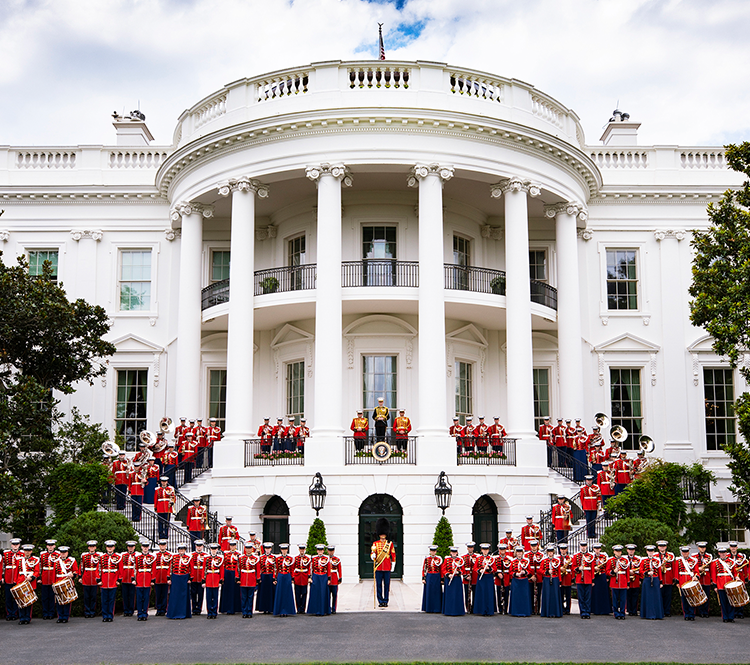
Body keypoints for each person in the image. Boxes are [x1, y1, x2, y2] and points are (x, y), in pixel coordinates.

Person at [371, 518, 396, 607]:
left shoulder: (389, 544)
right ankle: (380, 600)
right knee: (378, 585)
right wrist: (372, 556)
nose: (382, 535)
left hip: (387, 567)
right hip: (378, 567)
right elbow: (372, 553)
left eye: (383, 533)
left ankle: (386, 600)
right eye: (381, 533)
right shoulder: (375, 543)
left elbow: (393, 554)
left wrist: (393, 564)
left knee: (386, 585)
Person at [167, 544, 192, 619]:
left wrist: (190, 578)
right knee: (174, 596)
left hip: (184, 578)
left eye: (183, 549)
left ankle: (183, 613)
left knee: (183, 596)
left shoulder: (188, 558)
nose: (181, 551)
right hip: (175, 578)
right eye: (180, 549)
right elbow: (170, 568)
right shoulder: (174, 557)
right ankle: (173, 613)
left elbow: (191, 569)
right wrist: (169, 578)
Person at [53, 546, 78, 623]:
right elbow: (54, 574)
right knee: (59, 601)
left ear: (67, 553)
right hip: (59, 582)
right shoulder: (56, 562)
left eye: (64, 553)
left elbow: (76, 571)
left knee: (67, 600)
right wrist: (53, 584)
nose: (63, 554)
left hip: (68, 582)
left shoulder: (72, 560)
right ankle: (60, 616)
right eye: (61, 553)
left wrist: (73, 575)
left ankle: (66, 617)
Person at [16, 545, 40, 625]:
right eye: (25, 550)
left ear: (31, 551)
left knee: (29, 601)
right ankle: (22, 618)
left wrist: (32, 577)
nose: (27, 552)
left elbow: (37, 571)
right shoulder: (19, 560)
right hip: (21, 582)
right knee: (21, 601)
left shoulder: (35, 560)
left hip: (30, 582)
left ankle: (27, 618)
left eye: (29, 550)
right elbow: (16, 571)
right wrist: (16, 582)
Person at [711, 547, 737, 623]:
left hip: (730, 584)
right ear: (719, 553)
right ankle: (725, 617)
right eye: (721, 552)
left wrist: (737, 577)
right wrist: (715, 586)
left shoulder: (732, 561)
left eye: (724, 552)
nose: (723, 554)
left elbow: (734, 573)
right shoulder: (715, 562)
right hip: (720, 584)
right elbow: (713, 575)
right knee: (723, 602)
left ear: (726, 553)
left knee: (731, 601)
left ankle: (731, 617)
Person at [98, 540, 121, 622]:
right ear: (106, 548)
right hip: (104, 581)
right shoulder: (102, 557)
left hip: (113, 581)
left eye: (111, 547)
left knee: (111, 600)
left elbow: (120, 569)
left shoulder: (118, 557)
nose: (110, 548)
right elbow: (99, 569)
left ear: (114, 548)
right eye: (108, 547)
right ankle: (105, 616)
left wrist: (118, 580)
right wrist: (99, 580)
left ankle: (110, 615)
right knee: (104, 600)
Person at [640, 545, 664, 620]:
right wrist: (646, 573)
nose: (650, 553)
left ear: (653, 552)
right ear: (647, 552)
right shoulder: (643, 560)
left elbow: (659, 571)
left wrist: (661, 582)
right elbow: (640, 570)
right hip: (647, 580)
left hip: (656, 579)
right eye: (649, 551)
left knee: (656, 597)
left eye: (652, 551)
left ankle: (657, 614)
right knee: (647, 597)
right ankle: (647, 614)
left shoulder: (657, 561)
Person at [134, 540, 156, 621]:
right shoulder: (137, 557)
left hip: (147, 579)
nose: (145, 548)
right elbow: (135, 568)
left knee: (146, 598)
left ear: (148, 548)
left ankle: (145, 614)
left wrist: (152, 580)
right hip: (139, 579)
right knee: (139, 598)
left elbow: (153, 569)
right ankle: (140, 614)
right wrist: (134, 579)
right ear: (141, 547)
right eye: (144, 547)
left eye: (147, 547)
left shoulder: (152, 558)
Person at [606, 545, 630, 620]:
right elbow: (607, 571)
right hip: (614, 582)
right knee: (615, 599)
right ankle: (616, 613)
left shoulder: (625, 560)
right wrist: (613, 572)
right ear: (614, 552)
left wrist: (628, 583)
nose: (618, 553)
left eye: (619, 551)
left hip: (623, 582)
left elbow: (627, 572)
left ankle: (622, 613)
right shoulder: (611, 560)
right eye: (617, 551)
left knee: (623, 599)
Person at [674, 545, 697, 621]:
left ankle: (692, 614)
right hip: (682, 581)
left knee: (691, 599)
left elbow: (696, 571)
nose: (685, 553)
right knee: (684, 599)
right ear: (681, 552)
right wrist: (677, 582)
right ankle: (686, 614)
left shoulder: (694, 561)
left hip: (690, 582)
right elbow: (676, 572)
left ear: (689, 552)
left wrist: (696, 577)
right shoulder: (678, 561)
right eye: (684, 552)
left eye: (686, 552)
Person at [539, 544, 563, 618]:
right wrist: (546, 572)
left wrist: (560, 581)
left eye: (551, 552)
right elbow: (540, 570)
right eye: (549, 552)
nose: (550, 553)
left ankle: (556, 612)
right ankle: (547, 612)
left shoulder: (557, 560)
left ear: (553, 552)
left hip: (555, 579)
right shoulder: (544, 561)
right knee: (547, 595)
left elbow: (558, 571)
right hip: (547, 578)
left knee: (555, 596)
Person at [307, 544, 331, 616]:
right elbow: (310, 568)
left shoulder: (326, 559)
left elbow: (328, 569)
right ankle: (315, 610)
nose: (320, 552)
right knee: (315, 594)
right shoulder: (314, 559)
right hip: (316, 576)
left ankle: (323, 610)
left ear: (323, 551)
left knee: (323, 593)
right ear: (317, 551)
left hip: (323, 576)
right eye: (319, 550)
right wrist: (309, 577)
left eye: (321, 550)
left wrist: (329, 578)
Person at [79, 540, 101, 618]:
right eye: (90, 547)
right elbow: (82, 567)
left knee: (93, 597)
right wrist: (80, 576)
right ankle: (87, 611)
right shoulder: (84, 556)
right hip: (86, 577)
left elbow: (100, 567)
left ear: (95, 547)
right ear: (88, 548)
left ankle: (92, 611)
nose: (92, 548)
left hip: (94, 578)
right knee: (86, 596)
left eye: (93, 547)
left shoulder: (99, 556)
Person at [472, 544, 496, 616]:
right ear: (481, 550)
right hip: (481, 578)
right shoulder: (478, 558)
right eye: (484, 550)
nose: (485, 551)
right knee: (481, 594)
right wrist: (479, 570)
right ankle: (481, 610)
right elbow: (475, 568)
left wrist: (490, 569)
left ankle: (489, 610)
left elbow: (495, 568)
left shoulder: (491, 559)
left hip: (488, 578)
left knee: (489, 594)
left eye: (486, 550)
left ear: (488, 550)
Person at [273, 544, 297, 617]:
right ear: (281, 550)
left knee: (287, 593)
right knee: (280, 593)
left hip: (287, 575)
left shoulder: (290, 559)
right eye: (283, 550)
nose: (284, 551)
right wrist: (275, 578)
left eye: (285, 549)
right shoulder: (278, 559)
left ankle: (287, 610)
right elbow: (276, 569)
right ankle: (280, 611)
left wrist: (292, 578)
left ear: (287, 550)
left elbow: (292, 569)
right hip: (280, 575)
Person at [573, 541, 595, 619]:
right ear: (580, 546)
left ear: (586, 546)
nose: (583, 547)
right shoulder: (576, 556)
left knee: (588, 596)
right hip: (580, 578)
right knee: (581, 596)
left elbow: (592, 568)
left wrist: (592, 580)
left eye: (584, 546)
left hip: (588, 578)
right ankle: (582, 611)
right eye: (582, 546)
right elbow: (573, 567)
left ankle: (587, 612)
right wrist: (578, 569)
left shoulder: (590, 556)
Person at [38, 539, 59, 620]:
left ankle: (51, 613)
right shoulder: (43, 555)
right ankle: (45, 613)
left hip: (53, 578)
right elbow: (40, 567)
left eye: (52, 545)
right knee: (44, 597)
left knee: (52, 597)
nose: (50, 547)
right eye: (49, 546)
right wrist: (40, 578)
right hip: (45, 578)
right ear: (47, 546)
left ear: (54, 546)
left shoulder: (57, 554)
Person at [219, 540, 241, 615]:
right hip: (227, 573)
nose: (232, 547)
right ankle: (227, 608)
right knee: (227, 591)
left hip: (235, 573)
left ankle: (236, 608)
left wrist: (238, 576)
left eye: (233, 545)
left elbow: (239, 566)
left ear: (235, 546)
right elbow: (223, 565)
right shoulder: (226, 554)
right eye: (231, 545)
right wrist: (222, 577)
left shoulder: (238, 554)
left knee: (235, 591)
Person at [238, 542, 259, 618]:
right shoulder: (241, 558)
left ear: (252, 549)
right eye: (247, 548)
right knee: (244, 597)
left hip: (252, 579)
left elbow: (257, 569)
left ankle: (249, 612)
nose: (248, 550)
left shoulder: (255, 558)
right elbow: (238, 568)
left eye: (250, 548)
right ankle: (244, 612)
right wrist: (238, 578)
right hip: (243, 579)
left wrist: (257, 579)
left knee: (250, 597)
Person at [442, 546, 465, 616]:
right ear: (450, 553)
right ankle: (449, 611)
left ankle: (458, 611)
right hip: (449, 579)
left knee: (457, 595)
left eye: (455, 552)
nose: (454, 553)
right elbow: (443, 569)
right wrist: (448, 574)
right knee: (449, 595)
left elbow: (463, 570)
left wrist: (458, 572)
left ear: (457, 553)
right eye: (452, 552)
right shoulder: (447, 560)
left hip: (457, 580)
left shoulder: (460, 560)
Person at [508, 546, 531, 617]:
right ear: (516, 553)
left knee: (524, 596)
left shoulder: (526, 561)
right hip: (516, 581)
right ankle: (515, 612)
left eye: (520, 552)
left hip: (524, 581)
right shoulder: (513, 561)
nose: (519, 554)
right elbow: (510, 571)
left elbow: (529, 570)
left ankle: (525, 612)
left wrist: (525, 572)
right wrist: (515, 574)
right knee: (516, 597)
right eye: (518, 552)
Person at [591, 543, 612, 615]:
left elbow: (607, 567)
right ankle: (595, 610)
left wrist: (607, 577)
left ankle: (605, 610)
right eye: (596, 549)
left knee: (603, 592)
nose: (597, 550)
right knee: (595, 593)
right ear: (594, 549)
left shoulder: (604, 556)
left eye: (598, 549)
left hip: (602, 575)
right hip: (595, 576)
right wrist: (594, 568)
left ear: (600, 549)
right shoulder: (591, 557)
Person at [656, 540, 676, 617]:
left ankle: (667, 611)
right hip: (659, 578)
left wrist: (674, 578)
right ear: (658, 547)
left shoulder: (670, 555)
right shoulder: (655, 555)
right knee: (659, 596)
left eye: (663, 546)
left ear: (666, 547)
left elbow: (673, 567)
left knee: (668, 596)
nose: (662, 547)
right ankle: (660, 611)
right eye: (661, 546)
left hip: (668, 578)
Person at [204, 544, 224, 619]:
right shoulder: (207, 558)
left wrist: (221, 579)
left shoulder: (219, 558)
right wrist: (204, 580)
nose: (214, 551)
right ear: (210, 550)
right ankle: (209, 612)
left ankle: (214, 612)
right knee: (208, 597)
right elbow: (204, 569)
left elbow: (221, 569)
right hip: (209, 578)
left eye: (215, 549)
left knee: (215, 597)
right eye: (212, 549)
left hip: (216, 577)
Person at [421, 545, 443, 614]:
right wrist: (423, 578)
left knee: (436, 592)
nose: (433, 552)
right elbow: (424, 568)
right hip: (429, 576)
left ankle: (437, 608)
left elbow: (441, 569)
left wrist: (442, 578)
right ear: (430, 551)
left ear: (436, 552)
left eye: (434, 551)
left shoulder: (439, 559)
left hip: (436, 576)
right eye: (432, 551)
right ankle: (429, 608)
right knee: (429, 592)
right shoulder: (427, 559)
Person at [152, 540, 172, 616]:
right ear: (159, 546)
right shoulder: (156, 555)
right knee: (158, 594)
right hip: (157, 578)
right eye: (161, 545)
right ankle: (158, 609)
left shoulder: (169, 555)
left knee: (164, 594)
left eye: (164, 545)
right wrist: (153, 578)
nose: (162, 547)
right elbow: (154, 567)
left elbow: (169, 567)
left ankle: (163, 609)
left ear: (166, 546)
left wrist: (168, 577)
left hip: (164, 578)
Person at [256, 542, 276, 614]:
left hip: (270, 576)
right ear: (264, 549)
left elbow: (275, 568)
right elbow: (259, 568)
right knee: (263, 593)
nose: (267, 550)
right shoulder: (261, 558)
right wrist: (259, 578)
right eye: (266, 548)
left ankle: (270, 608)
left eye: (269, 548)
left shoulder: (273, 557)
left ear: (271, 549)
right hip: (263, 576)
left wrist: (274, 577)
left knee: (270, 592)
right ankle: (263, 608)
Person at [119, 540, 138, 616]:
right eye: (129, 547)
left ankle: (131, 610)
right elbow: (121, 567)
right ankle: (126, 610)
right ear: (127, 547)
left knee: (132, 595)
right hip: (125, 578)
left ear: (134, 547)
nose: (130, 548)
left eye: (132, 547)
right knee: (125, 595)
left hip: (132, 578)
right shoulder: (123, 555)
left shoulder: (136, 556)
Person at [525, 539, 544, 614]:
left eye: (535, 546)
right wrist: (530, 575)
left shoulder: (541, 555)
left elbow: (543, 566)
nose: (534, 548)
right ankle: (531, 609)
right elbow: (525, 567)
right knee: (530, 593)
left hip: (539, 576)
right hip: (530, 576)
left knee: (539, 594)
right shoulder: (527, 555)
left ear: (537, 546)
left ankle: (538, 609)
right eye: (532, 546)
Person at [189, 540, 208, 614]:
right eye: (198, 546)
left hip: (201, 576)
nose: (199, 548)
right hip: (194, 576)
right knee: (193, 593)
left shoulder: (205, 555)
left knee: (200, 594)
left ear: (202, 546)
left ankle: (199, 608)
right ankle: (194, 608)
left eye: (200, 546)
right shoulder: (192, 555)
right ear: (196, 546)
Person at [695, 541, 713, 618]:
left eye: (703, 548)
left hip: (707, 578)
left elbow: (712, 569)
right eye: (701, 548)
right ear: (698, 548)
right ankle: (700, 611)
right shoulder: (694, 556)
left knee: (706, 596)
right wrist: (699, 569)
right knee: (699, 595)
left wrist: (712, 580)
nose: (702, 549)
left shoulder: (709, 557)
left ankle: (706, 612)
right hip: (699, 578)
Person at [154, 476, 175, 540]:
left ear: (167, 482)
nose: (164, 483)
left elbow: (173, 497)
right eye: (163, 482)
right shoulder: (158, 490)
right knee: (160, 522)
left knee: (167, 522)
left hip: (167, 507)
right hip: (160, 507)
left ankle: (166, 534)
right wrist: (155, 507)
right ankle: (160, 534)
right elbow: (156, 499)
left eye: (165, 482)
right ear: (161, 482)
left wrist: (172, 502)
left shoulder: (170, 489)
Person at [292, 544, 311, 614]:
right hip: (297, 577)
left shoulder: (307, 558)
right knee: (297, 593)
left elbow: (309, 568)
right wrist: (293, 577)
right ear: (299, 550)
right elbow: (293, 568)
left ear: (304, 550)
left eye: (303, 549)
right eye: (301, 549)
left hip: (304, 577)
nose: (302, 551)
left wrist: (309, 576)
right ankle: (298, 608)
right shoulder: (296, 558)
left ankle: (303, 608)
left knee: (304, 593)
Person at [461, 541, 478, 613]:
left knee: (475, 593)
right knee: (466, 594)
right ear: (467, 548)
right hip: (467, 577)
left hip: (474, 577)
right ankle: (467, 607)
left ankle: (474, 608)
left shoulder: (477, 557)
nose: (470, 549)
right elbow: (461, 567)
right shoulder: (463, 557)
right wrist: (465, 575)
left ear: (473, 548)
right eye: (469, 547)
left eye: (471, 547)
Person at [625, 544, 641, 616]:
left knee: (635, 595)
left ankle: (634, 610)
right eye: (629, 550)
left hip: (635, 579)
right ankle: (629, 610)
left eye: (632, 550)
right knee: (628, 595)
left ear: (634, 551)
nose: (631, 551)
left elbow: (641, 569)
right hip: (627, 579)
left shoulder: (638, 559)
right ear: (627, 550)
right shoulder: (624, 559)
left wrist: (640, 579)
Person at [558, 543, 573, 614]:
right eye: (562, 549)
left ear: (566, 550)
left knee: (568, 595)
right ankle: (562, 608)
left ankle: (568, 609)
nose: (563, 551)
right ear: (560, 550)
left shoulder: (570, 558)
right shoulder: (558, 558)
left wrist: (572, 579)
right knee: (560, 594)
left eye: (564, 549)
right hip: (561, 577)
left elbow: (572, 569)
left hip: (568, 577)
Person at [327, 545, 342, 613]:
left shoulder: (337, 559)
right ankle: (328, 607)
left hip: (334, 578)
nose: (331, 552)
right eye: (330, 551)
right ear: (327, 551)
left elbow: (339, 569)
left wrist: (340, 577)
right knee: (327, 595)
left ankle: (334, 608)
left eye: (332, 551)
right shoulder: (326, 559)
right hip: (327, 579)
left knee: (334, 595)